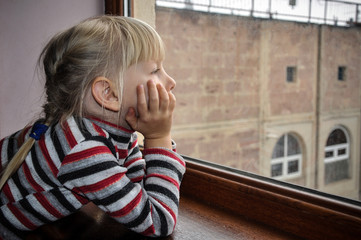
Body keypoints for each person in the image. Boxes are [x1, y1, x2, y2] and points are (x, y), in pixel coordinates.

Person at [0, 15, 185, 239]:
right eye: (155, 70)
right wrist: (159, 137)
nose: (171, 81)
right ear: (108, 93)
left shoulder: (111, 133)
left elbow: (134, 185)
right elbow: (158, 220)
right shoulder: (83, 149)